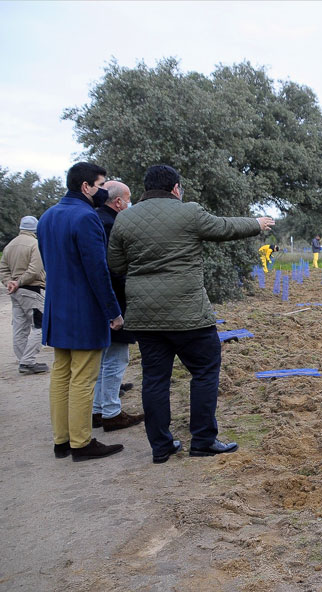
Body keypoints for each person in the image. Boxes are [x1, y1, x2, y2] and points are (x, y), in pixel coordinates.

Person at [108, 165, 275, 463]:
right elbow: (224, 227)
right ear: (175, 188)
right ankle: (203, 440)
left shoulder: (124, 218)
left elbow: (117, 266)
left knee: (155, 379)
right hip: (188, 313)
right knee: (205, 372)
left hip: (145, 317)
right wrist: (257, 223)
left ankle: (160, 447)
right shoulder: (189, 212)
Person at [37, 162, 125, 462]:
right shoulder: (87, 217)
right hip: (83, 311)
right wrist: (113, 311)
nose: (104, 191)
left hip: (56, 307)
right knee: (83, 378)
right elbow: (97, 270)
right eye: (101, 185)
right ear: (86, 187)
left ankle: (61, 440)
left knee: (60, 375)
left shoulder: (47, 216)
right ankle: (81, 442)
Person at [91, 181, 144, 432]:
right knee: (116, 358)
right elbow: (113, 269)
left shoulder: (95, 220)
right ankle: (111, 412)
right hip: (115, 302)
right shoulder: (112, 225)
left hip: (99, 302)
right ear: (118, 202)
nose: (130, 203)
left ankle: (98, 409)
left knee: (102, 358)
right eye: (129, 198)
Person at [0, 215, 48, 374]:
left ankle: (23, 360)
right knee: (41, 325)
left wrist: (10, 283)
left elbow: (3, 269)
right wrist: (19, 282)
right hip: (32, 290)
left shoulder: (9, 245)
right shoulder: (36, 244)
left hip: (15, 292)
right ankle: (28, 362)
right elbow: (35, 271)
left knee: (20, 327)